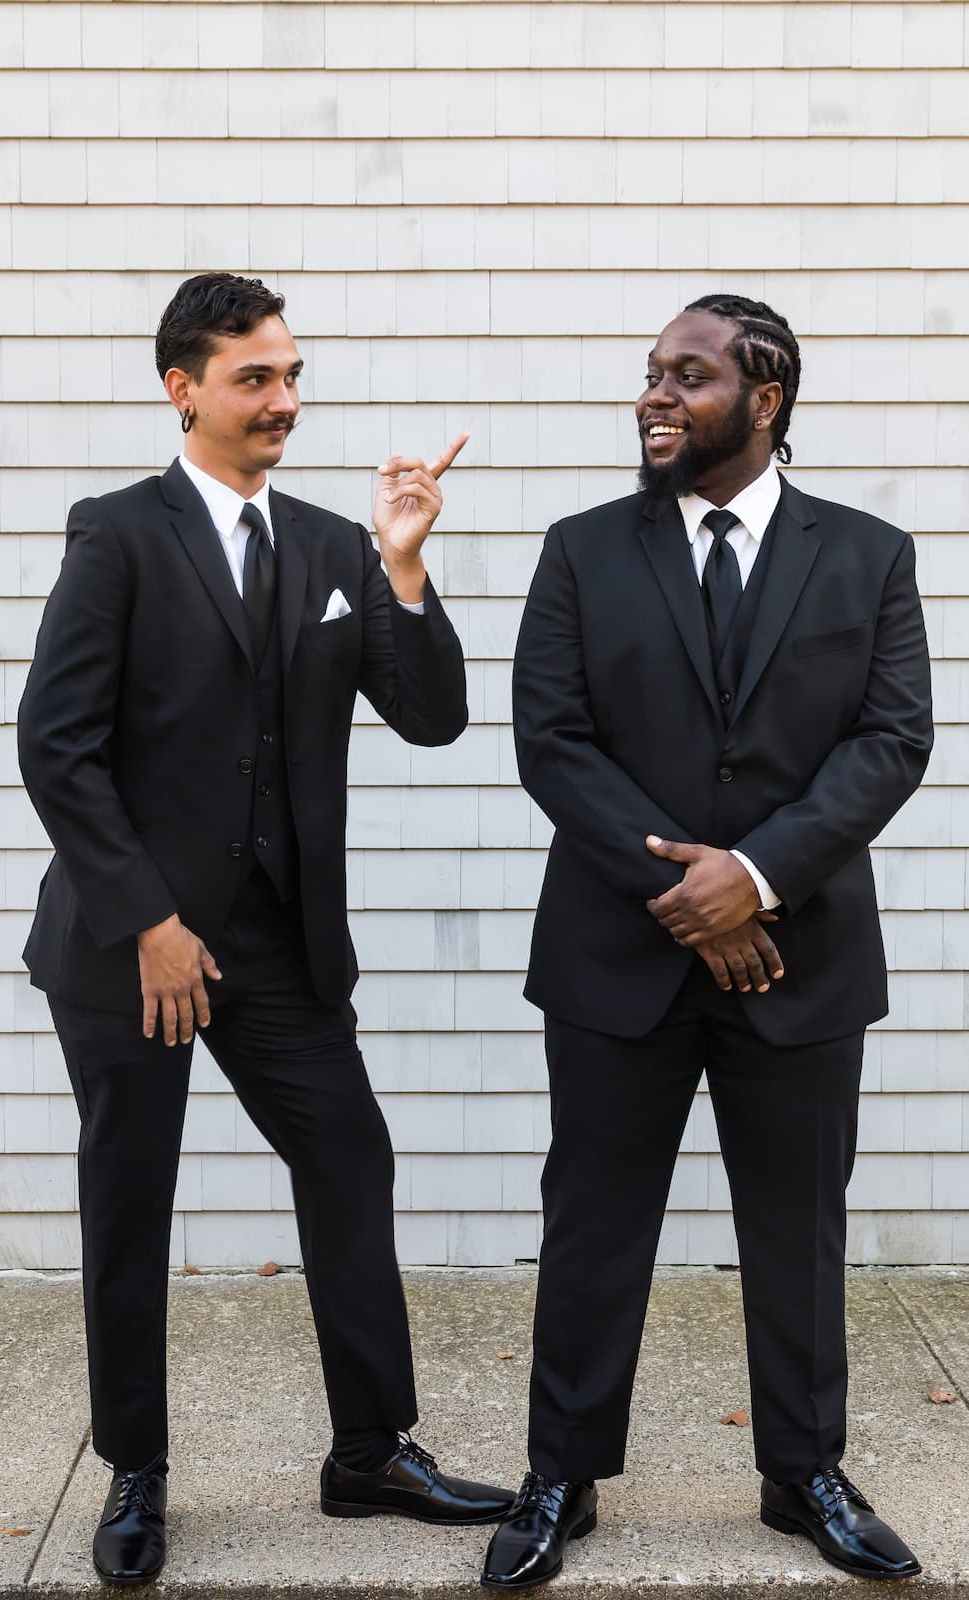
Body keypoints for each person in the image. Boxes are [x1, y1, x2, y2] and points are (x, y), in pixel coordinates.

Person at [18, 272, 513, 1586]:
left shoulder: (338, 548)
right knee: (131, 1200)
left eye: (292, 375)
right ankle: (135, 1469)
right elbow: (56, 748)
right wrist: (148, 920)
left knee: (348, 1158)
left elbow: (433, 719)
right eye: (256, 378)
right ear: (182, 389)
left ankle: (370, 1452)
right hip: (131, 947)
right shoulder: (117, 535)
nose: (284, 399)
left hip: (279, 946)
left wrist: (403, 562)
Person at [482, 295, 932, 1591]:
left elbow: (890, 739)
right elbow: (552, 740)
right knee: (593, 1223)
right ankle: (562, 1472)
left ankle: (804, 1473)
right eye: (651, 374)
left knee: (798, 1230)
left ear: (765, 400)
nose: (655, 396)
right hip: (618, 955)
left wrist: (759, 878)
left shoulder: (869, 555)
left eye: (688, 376)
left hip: (803, 955)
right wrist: (690, 894)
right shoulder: (582, 550)